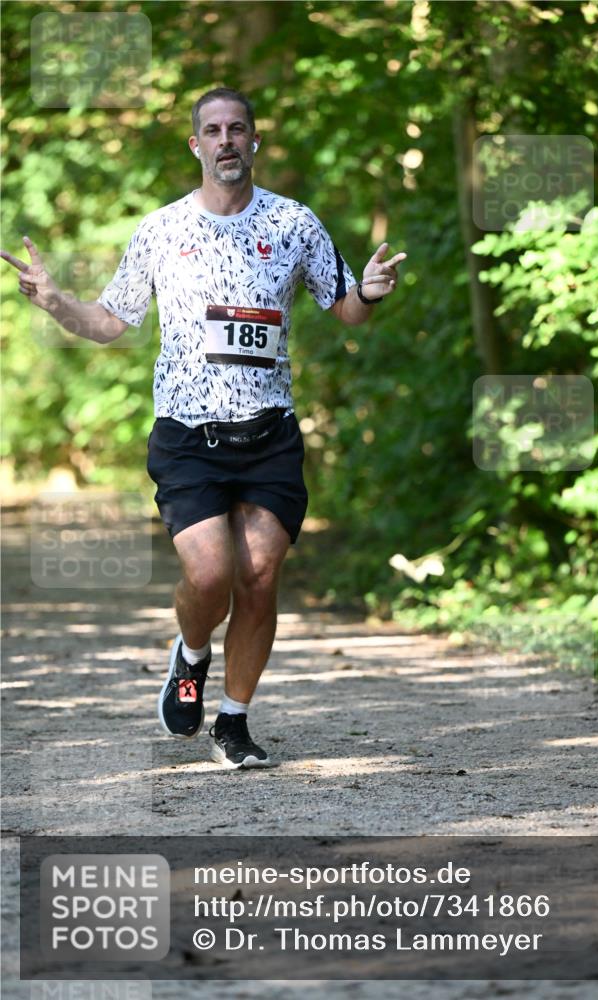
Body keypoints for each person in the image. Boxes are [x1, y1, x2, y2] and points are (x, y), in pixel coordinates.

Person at [1, 86, 407, 770]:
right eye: (212, 130)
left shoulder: (294, 224)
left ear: (254, 142)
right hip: (189, 435)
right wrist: (55, 301)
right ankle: (191, 654)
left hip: (269, 432)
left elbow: (342, 308)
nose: (225, 140)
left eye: (237, 129)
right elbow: (109, 323)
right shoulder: (161, 229)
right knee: (212, 573)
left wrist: (365, 291)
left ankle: (234, 720)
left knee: (259, 575)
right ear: (196, 145)